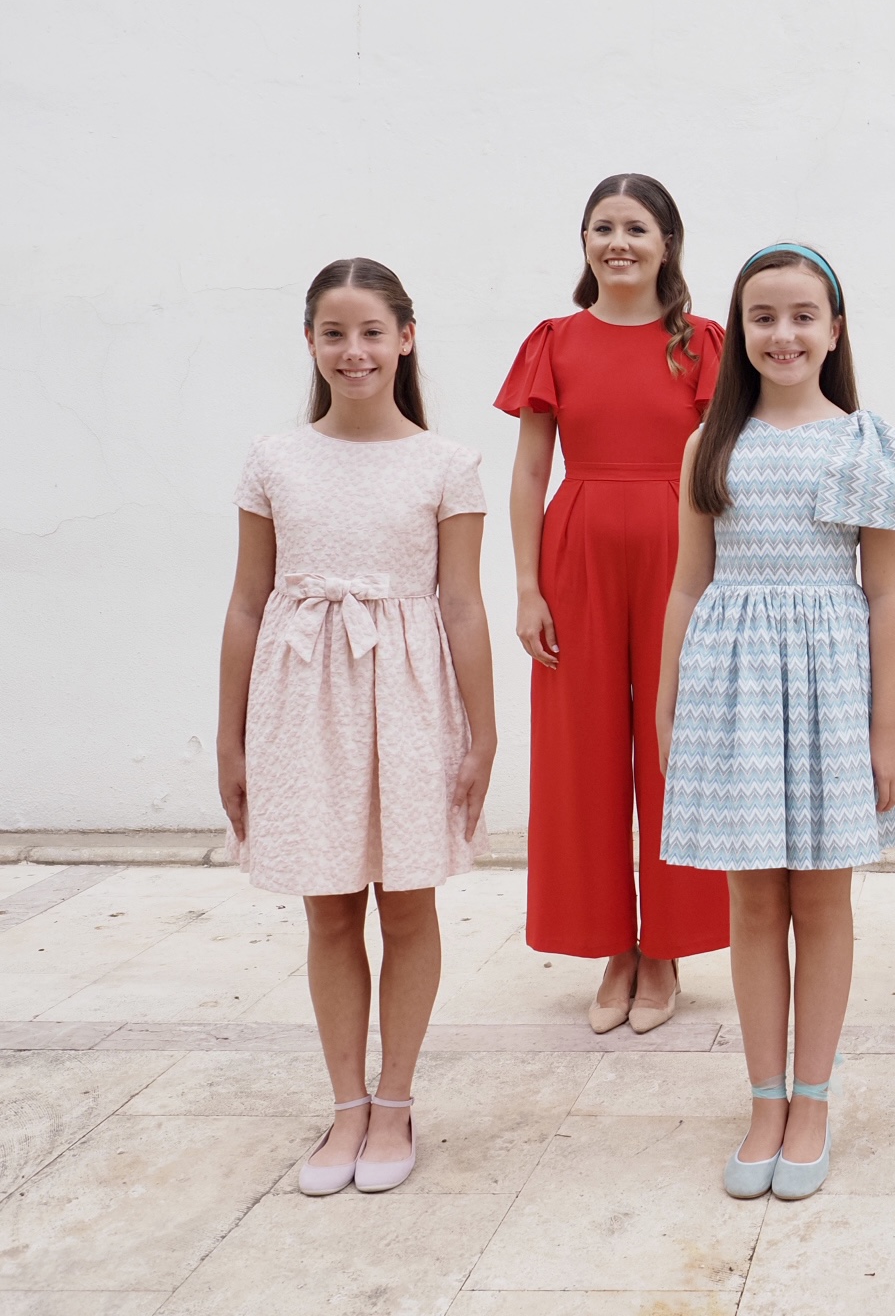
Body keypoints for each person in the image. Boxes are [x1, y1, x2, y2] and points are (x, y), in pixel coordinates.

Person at [656, 243, 895, 1202]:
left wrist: (885, 730)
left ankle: (812, 1101)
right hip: (734, 692)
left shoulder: (864, 444)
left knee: (820, 902)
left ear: (835, 330)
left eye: (804, 315)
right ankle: (763, 1098)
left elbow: (887, 591)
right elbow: (688, 584)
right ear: (740, 332)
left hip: (829, 692)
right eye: (763, 317)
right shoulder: (709, 445)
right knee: (752, 904)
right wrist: (670, 706)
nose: (784, 334)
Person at [217, 258, 494, 1196]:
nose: (354, 351)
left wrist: (484, 736)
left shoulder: (448, 464)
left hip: (410, 702)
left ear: (406, 338)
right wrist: (230, 737)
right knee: (329, 908)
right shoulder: (274, 459)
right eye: (334, 333)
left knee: (407, 904)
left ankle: (396, 1101)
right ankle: (346, 1106)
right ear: (309, 341)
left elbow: (462, 605)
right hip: (300, 702)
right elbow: (247, 602)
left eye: (373, 332)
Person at [497, 174, 729, 1036]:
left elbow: (724, 464)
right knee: (582, 753)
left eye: (636, 227)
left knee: (675, 747)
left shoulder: (701, 342)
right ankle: (612, 948)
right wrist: (527, 587)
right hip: (579, 555)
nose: (618, 242)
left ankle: (666, 946)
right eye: (603, 227)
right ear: (585, 242)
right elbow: (530, 469)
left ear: (668, 243)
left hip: (679, 553)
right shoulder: (555, 340)